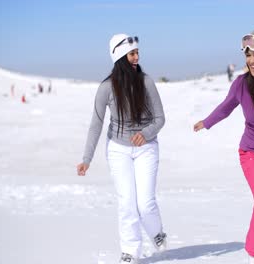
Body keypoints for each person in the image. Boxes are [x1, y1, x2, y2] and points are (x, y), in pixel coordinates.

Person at [194, 28, 254, 264]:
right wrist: (207, 122)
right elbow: (226, 107)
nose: (251, 61)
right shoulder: (240, 84)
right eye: (248, 55)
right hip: (252, 153)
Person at [76, 33, 167, 264]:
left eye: (137, 52)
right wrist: (86, 158)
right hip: (118, 149)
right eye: (132, 53)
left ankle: (157, 233)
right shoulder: (106, 88)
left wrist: (145, 134)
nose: (137, 57)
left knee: (145, 203)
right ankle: (130, 251)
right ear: (119, 56)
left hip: (146, 148)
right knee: (127, 202)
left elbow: (160, 119)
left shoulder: (146, 82)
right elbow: (96, 124)